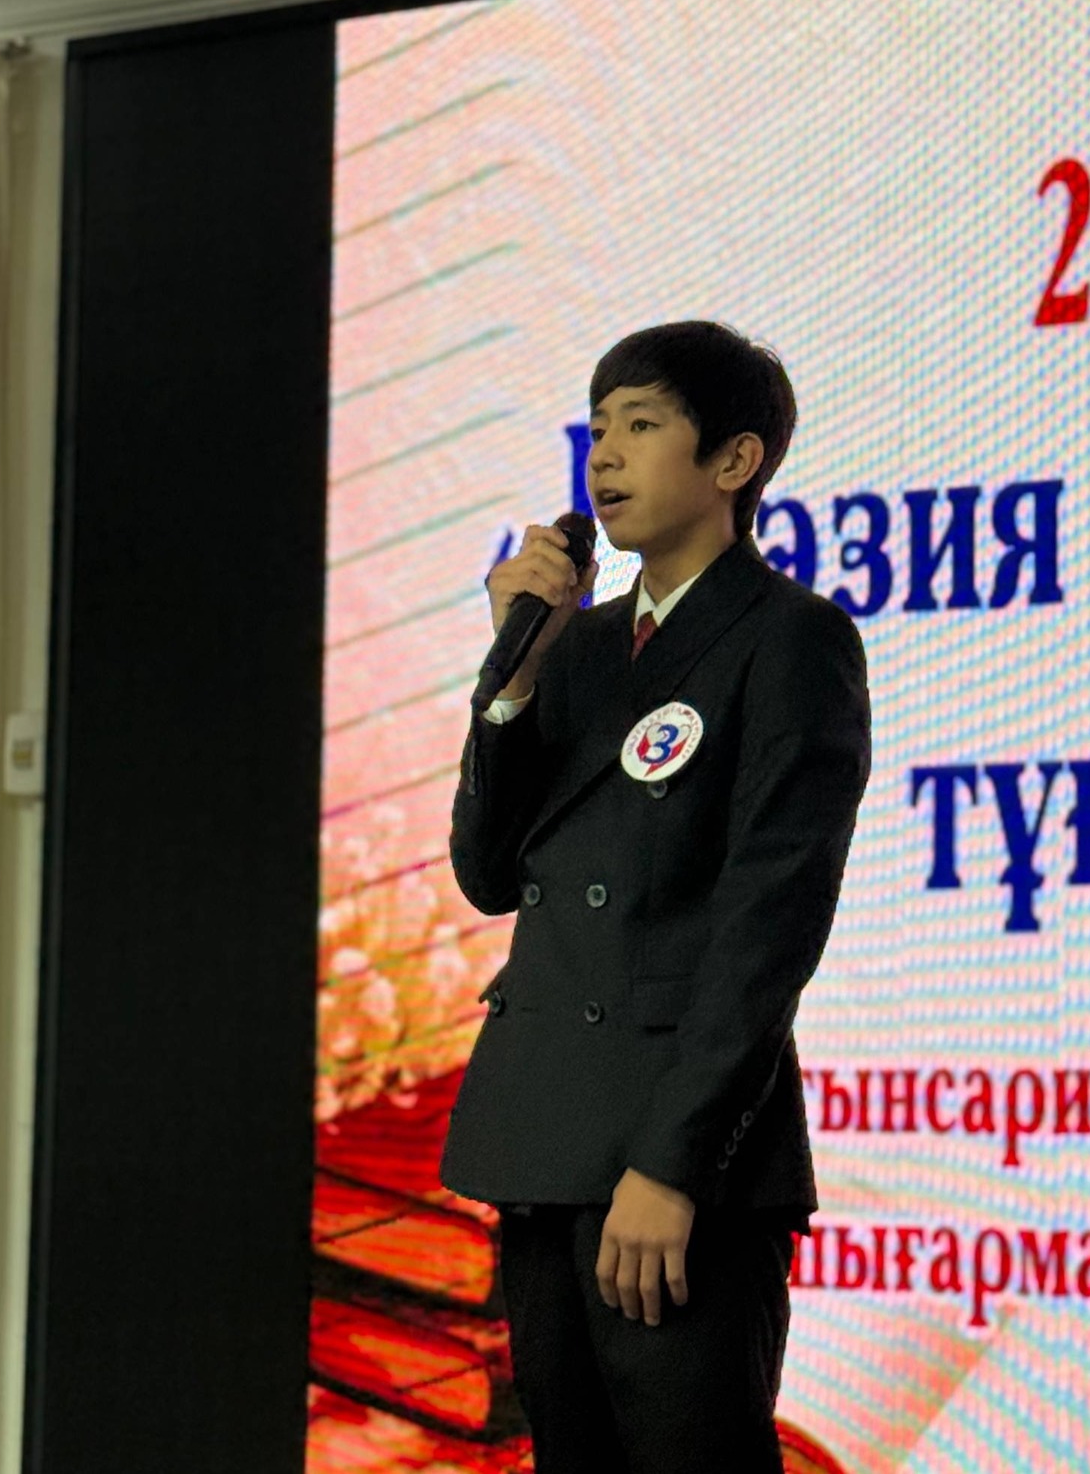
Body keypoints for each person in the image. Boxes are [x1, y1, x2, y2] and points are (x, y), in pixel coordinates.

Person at [441, 321, 871, 1472]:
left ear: (734, 459)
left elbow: (767, 930)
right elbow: (489, 873)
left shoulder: (791, 639)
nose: (606, 455)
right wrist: (511, 680)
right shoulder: (575, 648)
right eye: (596, 429)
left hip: (680, 1166)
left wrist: (673, 1165)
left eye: (641, 424)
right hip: (544, 1140)